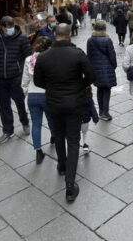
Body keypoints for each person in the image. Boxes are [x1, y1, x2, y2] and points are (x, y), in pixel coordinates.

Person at [33, 23, 96, 202]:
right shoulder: (77, 54)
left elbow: (38, 81)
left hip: (54, 102)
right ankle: (70, 184)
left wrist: (52, 88)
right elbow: (92, 76)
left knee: (59, 135)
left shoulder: (43, 57)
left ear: (55, 34)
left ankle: (61, 165)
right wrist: (80, 86)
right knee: (74, 140)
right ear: (69, 35)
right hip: (75, 102)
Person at [0, 16, 32, 143]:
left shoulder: (22, 39)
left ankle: (25, 122)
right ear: (1, 27)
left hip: (16, 78)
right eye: (7, 27)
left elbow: (29, 57)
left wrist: (21, 71)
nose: (10, 29)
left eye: (11, 26)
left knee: (20, 103)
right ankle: (8, 130)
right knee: (3, 106)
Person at [22, 36, 55, 164]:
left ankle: (38, 151)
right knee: (51, 119)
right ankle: (54, 137)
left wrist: (26, 92)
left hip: (32, 95)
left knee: (36, 123)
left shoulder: (29, 60)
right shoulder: (50, 59)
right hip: (46, 94)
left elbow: (24, 81)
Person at [86, 20, 117, 121]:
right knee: (107, 90)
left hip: (95, 68)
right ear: (104, 28)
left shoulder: (90, 40)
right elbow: (112, 55)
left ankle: (101, 111)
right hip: (107, 67)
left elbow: (89, 56)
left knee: (99, 89)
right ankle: (105, 112)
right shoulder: (107, 40)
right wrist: (114, 65)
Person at [81, 86, 99, 153]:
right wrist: (95, 119)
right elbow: (93, 110)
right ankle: (85, 145)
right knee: (85, 133)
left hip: (76, 120)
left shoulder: (75, 98)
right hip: (85, 120)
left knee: (75, 134)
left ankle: (74, 146)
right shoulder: (89, 99)